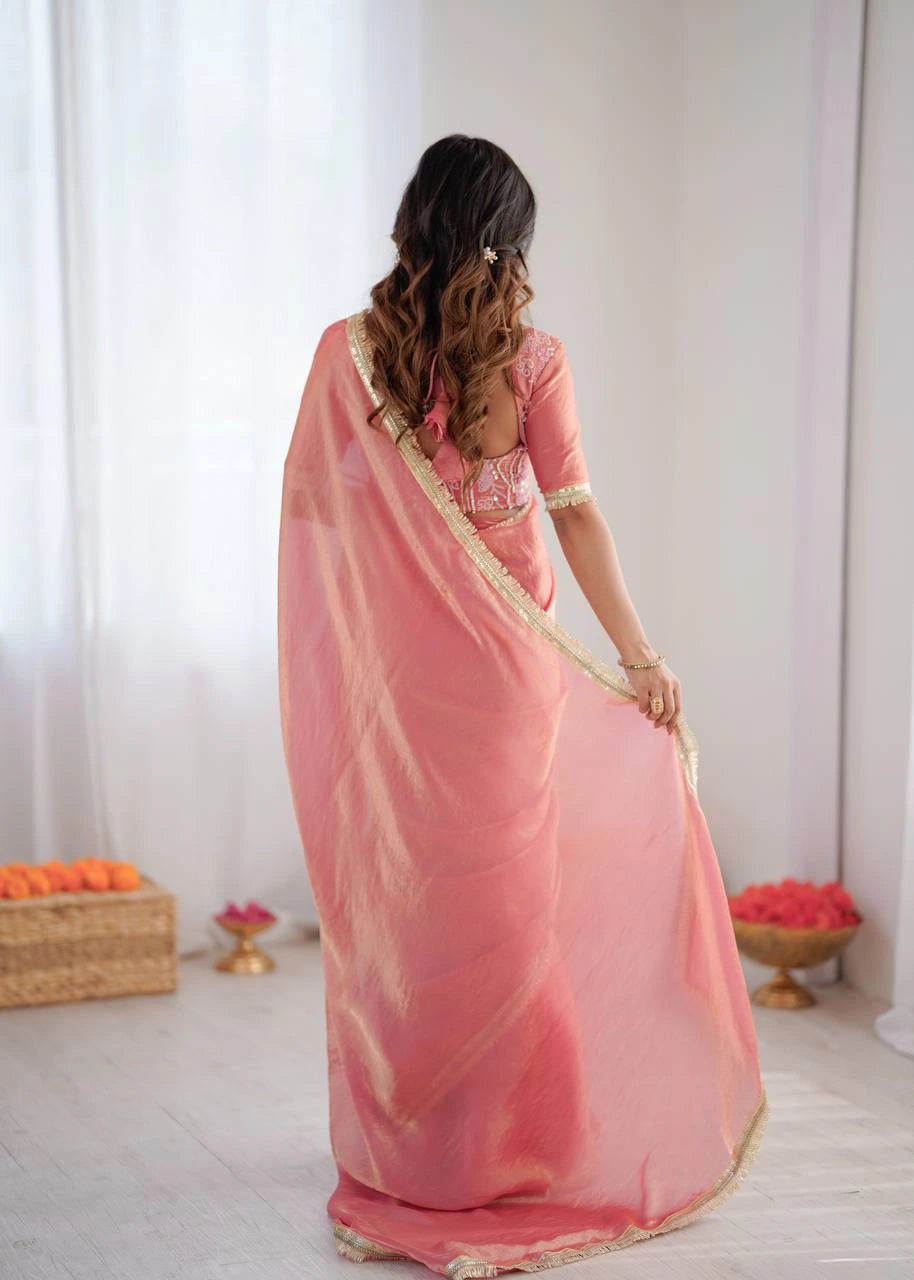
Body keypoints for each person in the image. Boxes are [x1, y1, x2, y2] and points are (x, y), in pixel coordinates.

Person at [277, 134, 767, 1280]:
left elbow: (314, 517)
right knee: (509, 898)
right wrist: (640, 656)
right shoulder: (531, 359)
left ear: (414, 219)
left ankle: (425, 1146)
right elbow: (575, 515)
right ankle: (507, 1143)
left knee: (421, 904)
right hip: (503, 678)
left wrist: (388, 587)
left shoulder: (348, 357)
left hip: (402, 687)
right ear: (510, 240)